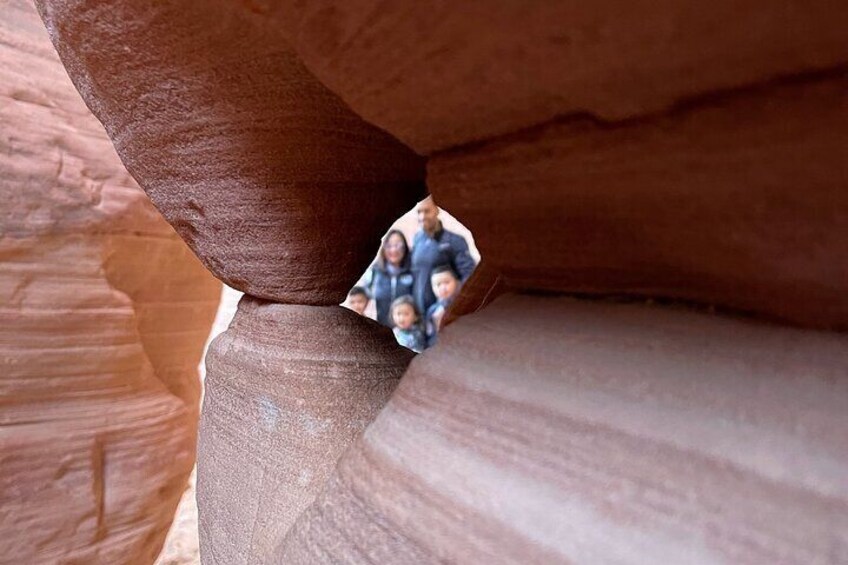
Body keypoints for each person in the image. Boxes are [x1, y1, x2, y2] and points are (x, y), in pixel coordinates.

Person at [411, 196, 476, 316]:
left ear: (437, 210)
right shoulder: (417, 240)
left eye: (427, 211)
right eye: (419, 212)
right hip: (421, 316)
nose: (422, 216)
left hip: (445, 314)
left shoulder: (455, 241)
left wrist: (448, 305)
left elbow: (470, 277)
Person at [364, 229, 415, 327]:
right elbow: (365, 295)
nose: (394, 250)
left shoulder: (412, 270)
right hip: (381, 329)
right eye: (389, 246)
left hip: (407, 332)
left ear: (405, 248)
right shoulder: (375, 271)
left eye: (398, 245)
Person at [425, 265, 460, 348]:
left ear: (456, 282)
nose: (443, 288)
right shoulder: (432, 310)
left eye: (447, 282)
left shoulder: (462, 305)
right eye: (438, 284)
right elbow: (430, 335)